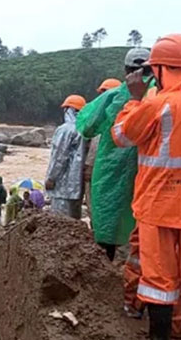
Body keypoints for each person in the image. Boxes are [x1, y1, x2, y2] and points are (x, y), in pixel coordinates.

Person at [111, 34, 181, 339]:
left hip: (159, 205)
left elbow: (122, 135)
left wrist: (136, 99)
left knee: (159, 283)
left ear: (162, 69)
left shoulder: (159, 104)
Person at [77, 48, 151, 263]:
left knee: (107, 225)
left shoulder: (114, 97)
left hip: (111, 174)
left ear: (126, 70)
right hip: (152, 178)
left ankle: (108, 275)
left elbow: (87, 127)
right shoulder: (165, 96)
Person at [45, 94, 87, 219]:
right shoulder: (85, 129)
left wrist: (51, 178)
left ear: (69, 110)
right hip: (77, 186)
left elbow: (59, 156)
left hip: (62, 187)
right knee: (74, 222)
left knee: (61, 223)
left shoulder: (65, 130)